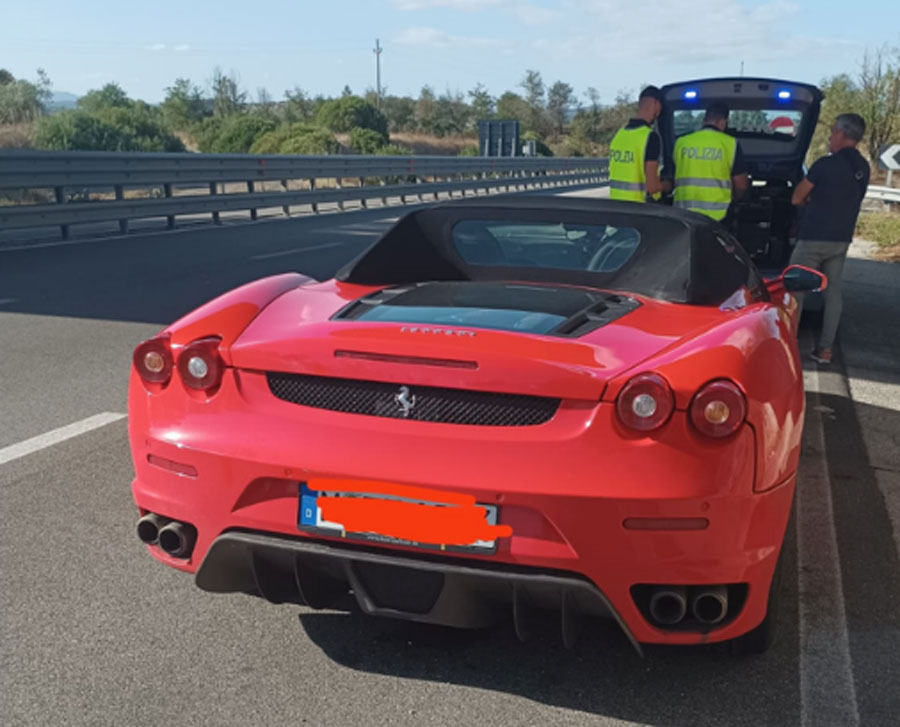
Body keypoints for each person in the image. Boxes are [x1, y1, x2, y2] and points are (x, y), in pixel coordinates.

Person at [789, 113, 870, 364]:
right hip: (840, 239)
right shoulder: (863, 168)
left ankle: (789, 345)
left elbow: (796, 198)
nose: (830, 136)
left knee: (794, 290)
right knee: (833, 293)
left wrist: (815, 201)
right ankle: (825, 350)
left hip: (813, 238)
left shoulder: (825, 164)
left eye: (833, 132)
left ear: (842, 134)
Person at [672, 101, 749, 221]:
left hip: (684, 216)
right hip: (717, 218)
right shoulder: (730, 143)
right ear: (723, 123)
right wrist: (735, 199)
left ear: (704, 120)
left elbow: (673, 174)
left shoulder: (681, 142)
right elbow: (741, 185)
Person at [608, 86, 671, 203]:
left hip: (616, 208)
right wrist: (667, 185)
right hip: (638, 210)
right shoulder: (649, 137)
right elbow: (652, 188)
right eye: (660, 107)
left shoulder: (619, 135)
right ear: (656, 104)